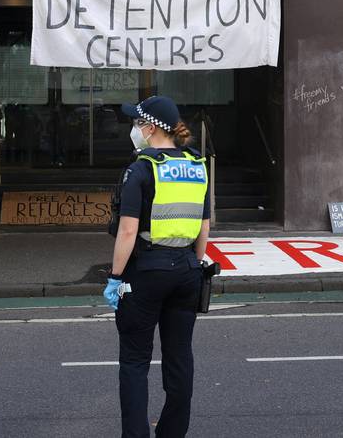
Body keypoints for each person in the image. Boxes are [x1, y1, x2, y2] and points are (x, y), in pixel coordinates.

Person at [105, 95, 212, 438]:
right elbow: (204, 226)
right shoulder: (198, 166)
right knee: (179, 359)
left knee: (135, 363)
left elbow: (127, 230)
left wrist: (115, 277)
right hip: (186, 271)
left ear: (150, 128)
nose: (133, 130)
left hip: (147, 271)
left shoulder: (141, 168)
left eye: (136, 123)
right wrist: (194, 264)